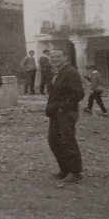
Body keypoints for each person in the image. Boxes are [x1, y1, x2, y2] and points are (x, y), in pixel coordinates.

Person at [44, 47, 84, 184]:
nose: (54, 59)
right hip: (55, 112)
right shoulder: (56, 73)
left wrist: (62, 107)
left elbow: (78, 93)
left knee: (68, 140)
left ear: (65, 58)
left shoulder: (71, 72)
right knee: (54, 141)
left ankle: (75, 172)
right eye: (52, 57)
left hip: (66, 112)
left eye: (58, 57)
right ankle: (65, 170)